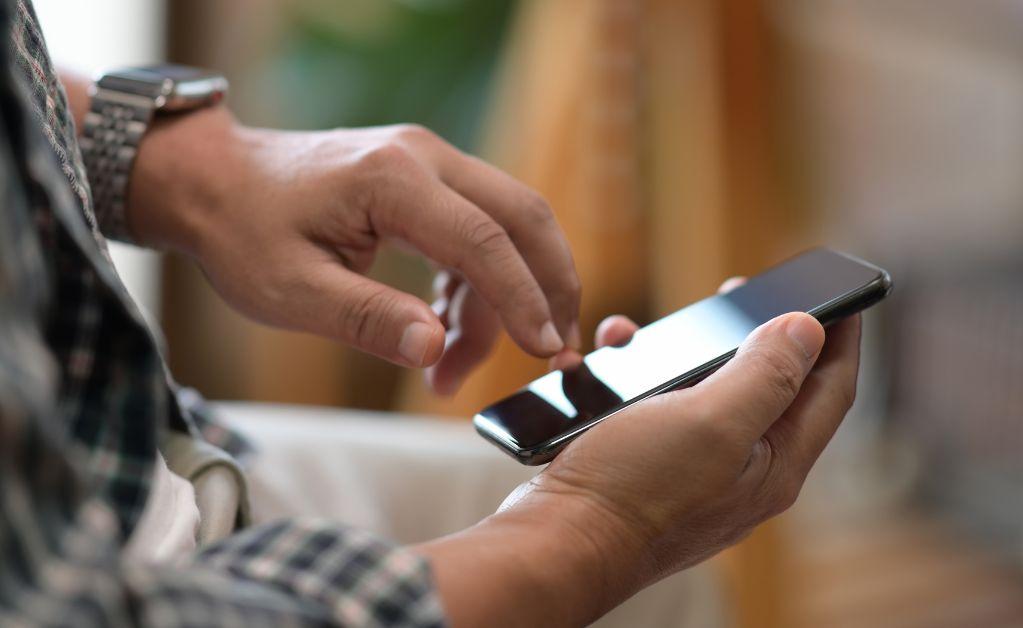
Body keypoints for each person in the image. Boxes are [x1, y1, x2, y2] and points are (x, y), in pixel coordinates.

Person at [0, 0, 863, 625]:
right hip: (136, 579)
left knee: (653, 566)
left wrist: (186, 166)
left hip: (140, 446)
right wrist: (599, 530)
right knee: (650, 566)